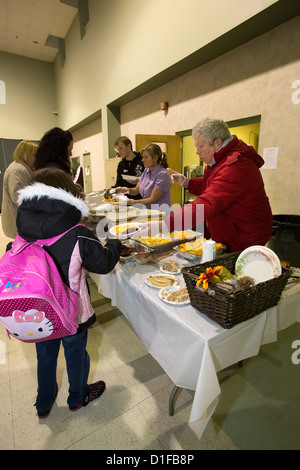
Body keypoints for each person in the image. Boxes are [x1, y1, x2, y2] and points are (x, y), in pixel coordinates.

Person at [16, 167, 122, 418]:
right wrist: (115, 242)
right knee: (76, 354)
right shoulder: (78, 233)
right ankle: (77, 397)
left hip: (39, 311)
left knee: (45, 356)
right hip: (72, 313)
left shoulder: (23, 233)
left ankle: (43, 403)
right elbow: (104, 264)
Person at [160, 118, 273, 252]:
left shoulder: (237, 165)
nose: (197, 152)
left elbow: (208, 201)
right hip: (230, 231)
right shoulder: (218, 161)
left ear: (217, 143)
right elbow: (211, 185)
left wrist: (165, 224)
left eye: (200, 147)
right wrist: (187, 183)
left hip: (244, 237)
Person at [115, 143, 172, 209]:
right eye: (143, 157)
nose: (142, 160)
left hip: (162, 213)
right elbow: (136, 190)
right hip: (149, 212)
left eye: (146, 157)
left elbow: (152, 199)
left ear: (155, 158)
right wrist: (124, 190)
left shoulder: (162, 174)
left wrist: (132, 202)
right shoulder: (146, 171)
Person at [1, 140, 38, 239]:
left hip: (22, 219)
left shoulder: (22, 169)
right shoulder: (17, 170)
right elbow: (18, 197)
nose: (37, 159)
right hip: (17, 220)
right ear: (27, 155)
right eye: (35, 156)